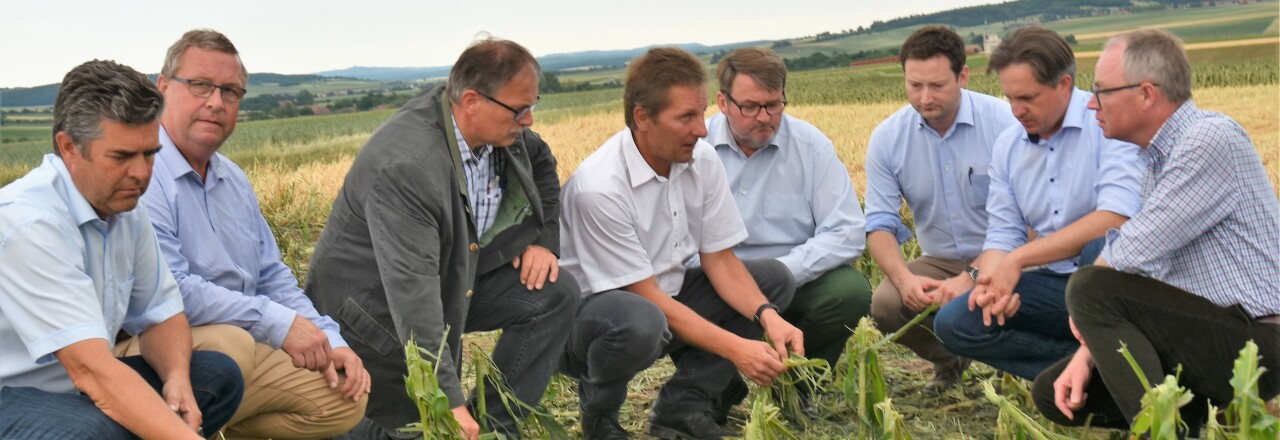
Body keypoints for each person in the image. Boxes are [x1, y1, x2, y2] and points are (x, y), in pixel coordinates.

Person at [305, 38, 579, 440]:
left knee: (554, 294)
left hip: (452, 278)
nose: (529, 120)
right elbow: (413, 297)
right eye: (521, 109)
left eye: (532, 105)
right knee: (417, 426)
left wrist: (544, 239)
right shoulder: (410, 168)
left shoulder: (498, 128)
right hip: (373, 317)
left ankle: (496, 430)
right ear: (471, 101)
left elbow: (540, 161)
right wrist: (449, 400)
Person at [1031, 29, 1280, 434]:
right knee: (1051, 393)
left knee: (1090, 286)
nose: (1092, 103)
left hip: (1258, 343)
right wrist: (1086, 355)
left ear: (1146, 94)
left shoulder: (1209, 138)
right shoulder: (1154, 163)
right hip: (1204, 333)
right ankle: (1191, 421)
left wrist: (1087, 302)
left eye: (1102, 91)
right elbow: (1145, 276)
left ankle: (1162, 431)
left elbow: (1128, 255)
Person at [129, 29, 368, 439]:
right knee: (230, 347)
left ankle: (215, 423)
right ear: (163, 88)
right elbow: (171, 292)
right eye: (201, 85)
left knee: (343, 395)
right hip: (153, 345)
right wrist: (276, 323)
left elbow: (272, 276)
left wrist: (328, 337)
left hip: (241, 341)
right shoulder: (142, 174)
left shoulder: (233, 179)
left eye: (230, 91)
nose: (216, 102)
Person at [559, 47, 803, 440]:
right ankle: (600, 417)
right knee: (640, 320)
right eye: (686, 117)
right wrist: (738, 349)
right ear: (643, 117)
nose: (703, 129)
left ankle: (683, 409)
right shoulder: (600, 188)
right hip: (586, 324)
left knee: (772, 280)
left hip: (660, 301)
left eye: (701, 112)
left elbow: (720, 260)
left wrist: (768, 317)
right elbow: (645, 296)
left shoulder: (702, 160)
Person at [0, 59, 243, 439]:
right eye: (122, 156)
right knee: (93, 430)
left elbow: (162, 314)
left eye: (149, 153)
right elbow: (92, 371)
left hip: (75, 387)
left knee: (217, 377)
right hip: (11, 393)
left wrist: (176, 379)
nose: (142, 173)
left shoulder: (125, 206)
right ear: (68, 147)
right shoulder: (29, 224)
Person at [932, 26, 1143, 381]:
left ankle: (1117, 368)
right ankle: (1093, 375)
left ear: (1063, 85)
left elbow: (1116, 217)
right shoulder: (1009, 145)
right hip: (1056, 286)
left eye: (1027, 98)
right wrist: (993, 285)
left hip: (1125, 286)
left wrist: (1018, 260)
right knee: (956, 323)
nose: (1016, 110)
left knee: (1100, 244)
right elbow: (1003, 231)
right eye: (1010, 98)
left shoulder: (1107, 124)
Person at [701, 46, 870, 401]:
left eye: (774, 104)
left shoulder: (810, 146)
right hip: (715, 280)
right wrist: (733, 282)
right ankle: (711, 393)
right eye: (750, 107)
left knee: (850, 292)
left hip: (793, 277)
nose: (764, 117)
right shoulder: (695, 148)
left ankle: (797, 388)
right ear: (722, 101)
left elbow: (847, 231)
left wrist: (780, 273)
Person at [865, 26, 1018, 392]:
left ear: (962, 75)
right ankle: (951, 361)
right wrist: (905, 281)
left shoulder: (1005, 125)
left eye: (937, 85)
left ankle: (1013, 363)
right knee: (886, 303)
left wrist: (972, 277)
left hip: (1011, 256)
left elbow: (1027, 221)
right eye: (914, 85)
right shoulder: (888, 139)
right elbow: (879, 225)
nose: (924, 96)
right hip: (942, 260)